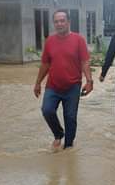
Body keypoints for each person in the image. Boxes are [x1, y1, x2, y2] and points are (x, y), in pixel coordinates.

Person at [34, 10, 94, 150]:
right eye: (56, 21)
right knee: (47, 110)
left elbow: (85, 62)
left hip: (73, 86)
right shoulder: (50, 41)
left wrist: (89, 81)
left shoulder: (78, 40)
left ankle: (68, 147)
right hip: (53, 86)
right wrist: (37, 83)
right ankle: (58, 134)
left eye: (62, 21)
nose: (59, 24)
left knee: (70, 117)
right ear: (54, 23)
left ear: (68, 22)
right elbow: (45, 64)